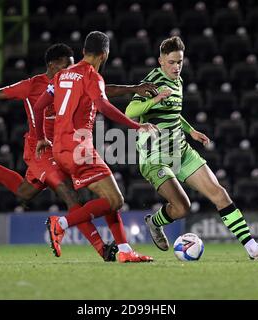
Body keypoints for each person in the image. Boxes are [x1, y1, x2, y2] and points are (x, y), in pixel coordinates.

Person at [0, 43, 157, 262]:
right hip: (40, 148)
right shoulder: (32, 85)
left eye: (71, 63)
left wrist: (132, 88)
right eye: (65, 64)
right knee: (69, 193)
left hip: (59, 145)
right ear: (51, 64)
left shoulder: (68, 79)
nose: (69, 67)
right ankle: (101, 248)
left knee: (24, 192)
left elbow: (102, 92)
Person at [124, 36, 258, 260]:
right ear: (160, 61)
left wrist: (191, 131)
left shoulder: (178, 81)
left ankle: (253, 248)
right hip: (154, 157)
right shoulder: (153, 83)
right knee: (181, 208)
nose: (176, 67)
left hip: (181, 151)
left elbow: (173, 112)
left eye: (179, 61)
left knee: (219, 193)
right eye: (171, 62)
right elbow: (129, 112)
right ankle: (154, 222)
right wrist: (155, 99)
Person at [34, 31, 158, 263]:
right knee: (116, 200)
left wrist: (41, 137)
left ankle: (124, 250)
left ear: (83, 52)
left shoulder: (61, 76)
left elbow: (40, 106)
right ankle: (60, 224)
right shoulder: (92, 76)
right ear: (105, 55)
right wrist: (134, 126)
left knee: (108, 197)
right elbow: (102, 103)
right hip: (78, 148)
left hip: (60, 149)